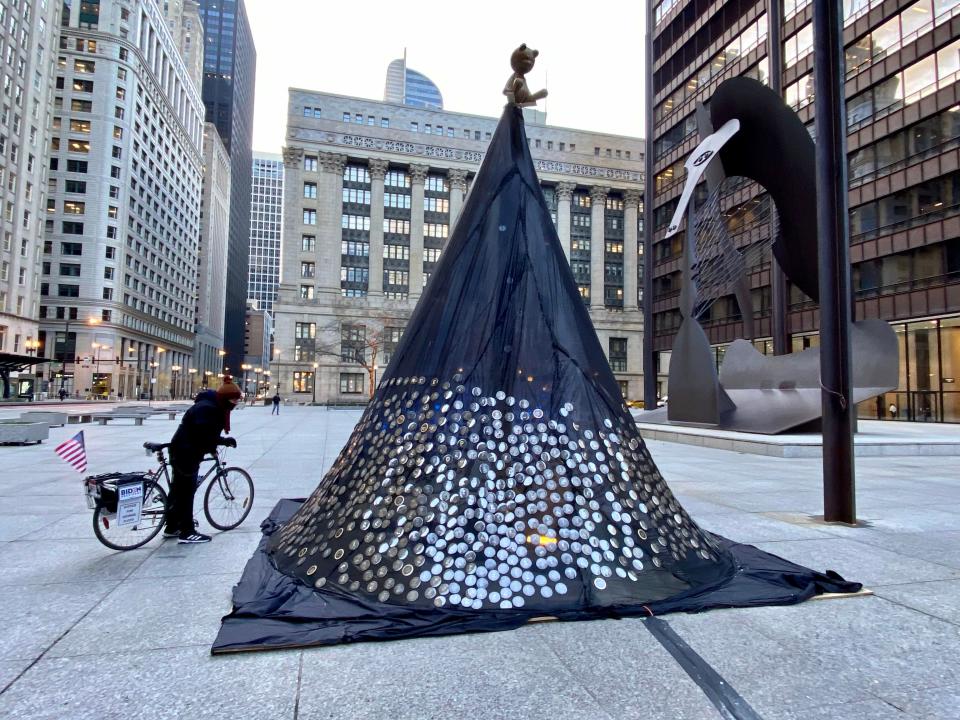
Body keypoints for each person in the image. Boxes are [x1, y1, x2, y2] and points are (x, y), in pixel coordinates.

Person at [163, 376, 242, 543]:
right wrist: (222, 441)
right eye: (234, 400)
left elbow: (206, 434)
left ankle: (172, 526)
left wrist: (213, 446)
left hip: (183, 449)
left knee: (178, 490)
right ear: (225, 398)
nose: (235, 403)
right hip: (186, 452)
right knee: (186, 492)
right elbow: (203, 435)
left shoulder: (213, 405)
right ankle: (187, 531)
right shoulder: (208, 408)